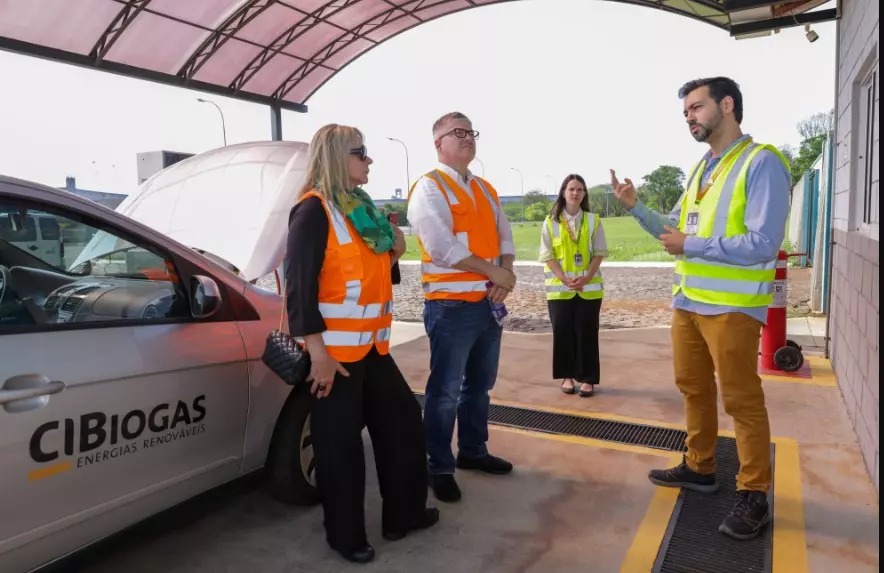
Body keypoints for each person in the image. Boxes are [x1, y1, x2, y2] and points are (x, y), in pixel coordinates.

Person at [610, 77, 791, 541]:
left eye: (696, 107)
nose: (689, 116)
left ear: (726, 105)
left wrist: (692, 243)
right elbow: (675, 232)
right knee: (692, 387)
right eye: (685, 111)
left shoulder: (761, 162)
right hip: (688, 302)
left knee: (741, 399)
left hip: (731, 306)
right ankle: (700, 466)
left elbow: (762, 243)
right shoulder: (700, 170)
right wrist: (635, 208)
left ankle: (754, 494)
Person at [285, 124, 438, 564]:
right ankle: (346, 535)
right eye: (361, 153)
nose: (369, 160)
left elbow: (367, 277)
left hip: (373, 349)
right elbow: (299, 287)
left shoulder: (360, 210)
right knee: (339, 449)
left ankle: (402, 515)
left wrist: (394, 252)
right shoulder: (313, 211)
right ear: (336, 157)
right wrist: (318, 354)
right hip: (333, 357)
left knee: (405, 426)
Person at [407, 111, 517, 503]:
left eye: (471, 131)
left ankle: (473, 450)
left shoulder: (486, 188)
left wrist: (505, 271)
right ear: (438, 144)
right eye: (458, 132)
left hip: (488, 303)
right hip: (451, 306)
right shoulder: (429, 187)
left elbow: (504, 233)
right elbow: (441, 245)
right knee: (445, 391)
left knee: (480, 386)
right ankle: (438, 465)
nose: (467, 137)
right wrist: (494, 272)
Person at [539, 173, 608, 397]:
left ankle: (588, 379)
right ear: (563, 192)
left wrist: (587, 277)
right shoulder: (551, 222)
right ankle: (567, 377)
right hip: (560, 290)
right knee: (563, 333)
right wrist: (563, 278)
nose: (575, 193)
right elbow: (547, 255)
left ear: (584, 194)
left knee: (587, 332)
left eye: (580, 189)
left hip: (589, 289)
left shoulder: (593, 220)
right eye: (571, 189)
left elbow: (599, 252)